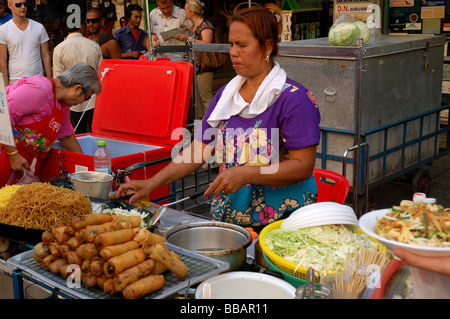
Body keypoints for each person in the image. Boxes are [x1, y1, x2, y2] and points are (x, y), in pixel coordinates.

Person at [117, 4, 321, 229]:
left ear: (268, 47)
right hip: (231, 219)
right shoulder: (227, 95)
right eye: (232, 44)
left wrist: (245, 174)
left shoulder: (293, 99)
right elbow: (198, 150)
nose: (233, 52)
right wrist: (151, 183)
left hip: (281, 223)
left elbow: (303, 165)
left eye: (242, 45)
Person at [0, 63, 102, 187]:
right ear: (77, 89)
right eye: (86, 98)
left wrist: (88, 169)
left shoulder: (63, 104)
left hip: (24, 164)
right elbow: (3, 116)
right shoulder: (40, 89)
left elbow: (66, 136)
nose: (83, 102)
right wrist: (13, 155)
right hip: (6, 156)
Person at [52, 17, 103, 135]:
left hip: (71, 104)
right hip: (93, 100)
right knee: (97, 137)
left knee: (76, 136)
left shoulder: (59, 48)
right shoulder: (94, 45)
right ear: (81, 26)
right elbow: (101, 75)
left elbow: (58, 81)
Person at [175, 0, 215, 119]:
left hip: (204, 67)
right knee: (196, 99)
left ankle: (211, 126)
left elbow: (207, 44)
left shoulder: (205, 25)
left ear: (192, 12)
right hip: (194, 67)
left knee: (205, 97)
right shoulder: (193, 26)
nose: (185, 12)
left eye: (186, 10)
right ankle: (199, 127)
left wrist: (187, 38)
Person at [0, 0, 52, 86]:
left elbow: (46, 56)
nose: (23, 7)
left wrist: (50, 80)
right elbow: (2, 60)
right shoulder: (3, 30)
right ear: (10, 6)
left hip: (38, 80)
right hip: (15, 81)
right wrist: (5, 86)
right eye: (18, 5)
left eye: (25, 4)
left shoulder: (39, 27)